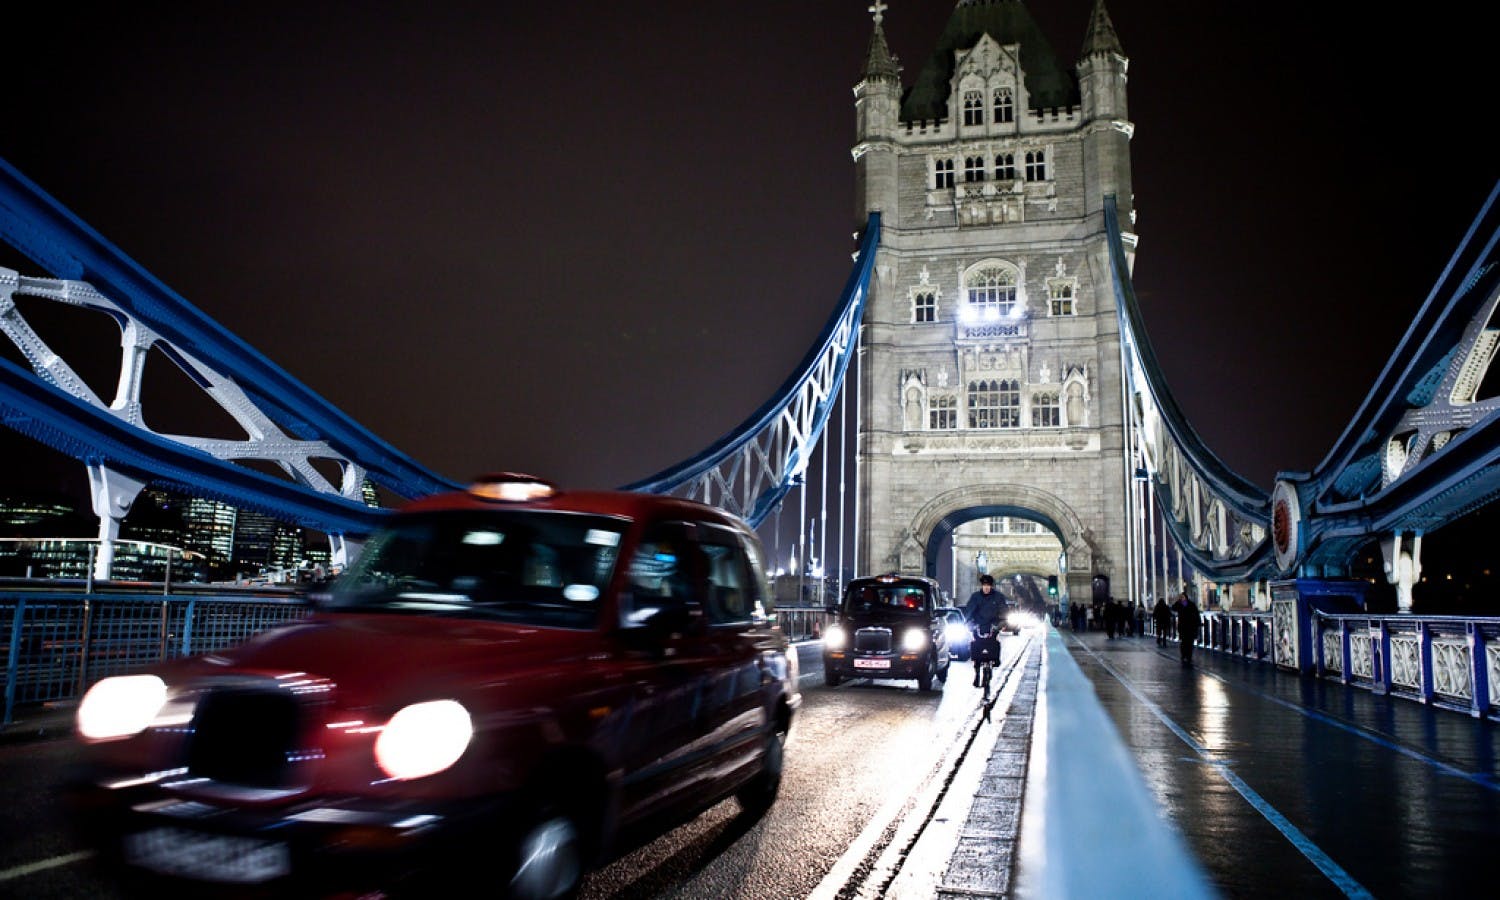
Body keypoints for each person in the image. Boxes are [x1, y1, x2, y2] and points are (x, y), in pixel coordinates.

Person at [964, 574, 1003, 686]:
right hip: (978, 627)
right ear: (982, 586)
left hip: (992, 627)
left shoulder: (998, 597)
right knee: (975, 647)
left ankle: (995, 661)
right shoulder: (975, 597)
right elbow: (969, 611)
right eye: (984, 585)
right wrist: (969, 623)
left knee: (994, 644)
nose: (986, 587)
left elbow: (1003, 611)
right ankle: (977, 673)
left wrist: (1000, 624)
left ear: (991, 586)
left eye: (988, 585)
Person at [1174, 590, 1201, 665]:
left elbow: (1196, 614)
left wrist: (1198, 623)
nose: (1182, 598)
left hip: (1190, 627)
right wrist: (1178, 601)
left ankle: (1188, 656)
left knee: (1189, 642)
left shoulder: (1191, 605)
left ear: (1186, 597)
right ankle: (1184, 655)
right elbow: (1173, 607)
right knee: (1184, 642)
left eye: (1183, 597)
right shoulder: (1179, 605)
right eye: (1181, 597)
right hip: (1183, 627)